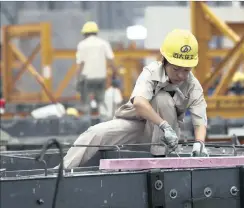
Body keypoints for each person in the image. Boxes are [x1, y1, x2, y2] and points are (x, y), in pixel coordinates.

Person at [60, 29, 209, 169]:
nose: (181, 75)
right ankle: (60, 171)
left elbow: (199, 117)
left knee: (163, 99)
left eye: (186, 70)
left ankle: (161, 161)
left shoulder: (192, 84)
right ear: (164, 61)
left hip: (165, 139)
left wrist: (199, 143)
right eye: (176, 69)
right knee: (94, 133)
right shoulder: (151, 72)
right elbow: (139, 103)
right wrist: (163, 125)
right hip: (138, 125)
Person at [76, 21, 117, 114]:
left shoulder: (82, 45)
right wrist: (115, 72)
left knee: (85, 102)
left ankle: (87, 119)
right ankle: (101, 118)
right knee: (101, 102)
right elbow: (111, 60)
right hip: (101, 78)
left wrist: (77, 79)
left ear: (85, 33)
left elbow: (79, 64)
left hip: (87, 78)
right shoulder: (103, 43)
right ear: (96, 32)